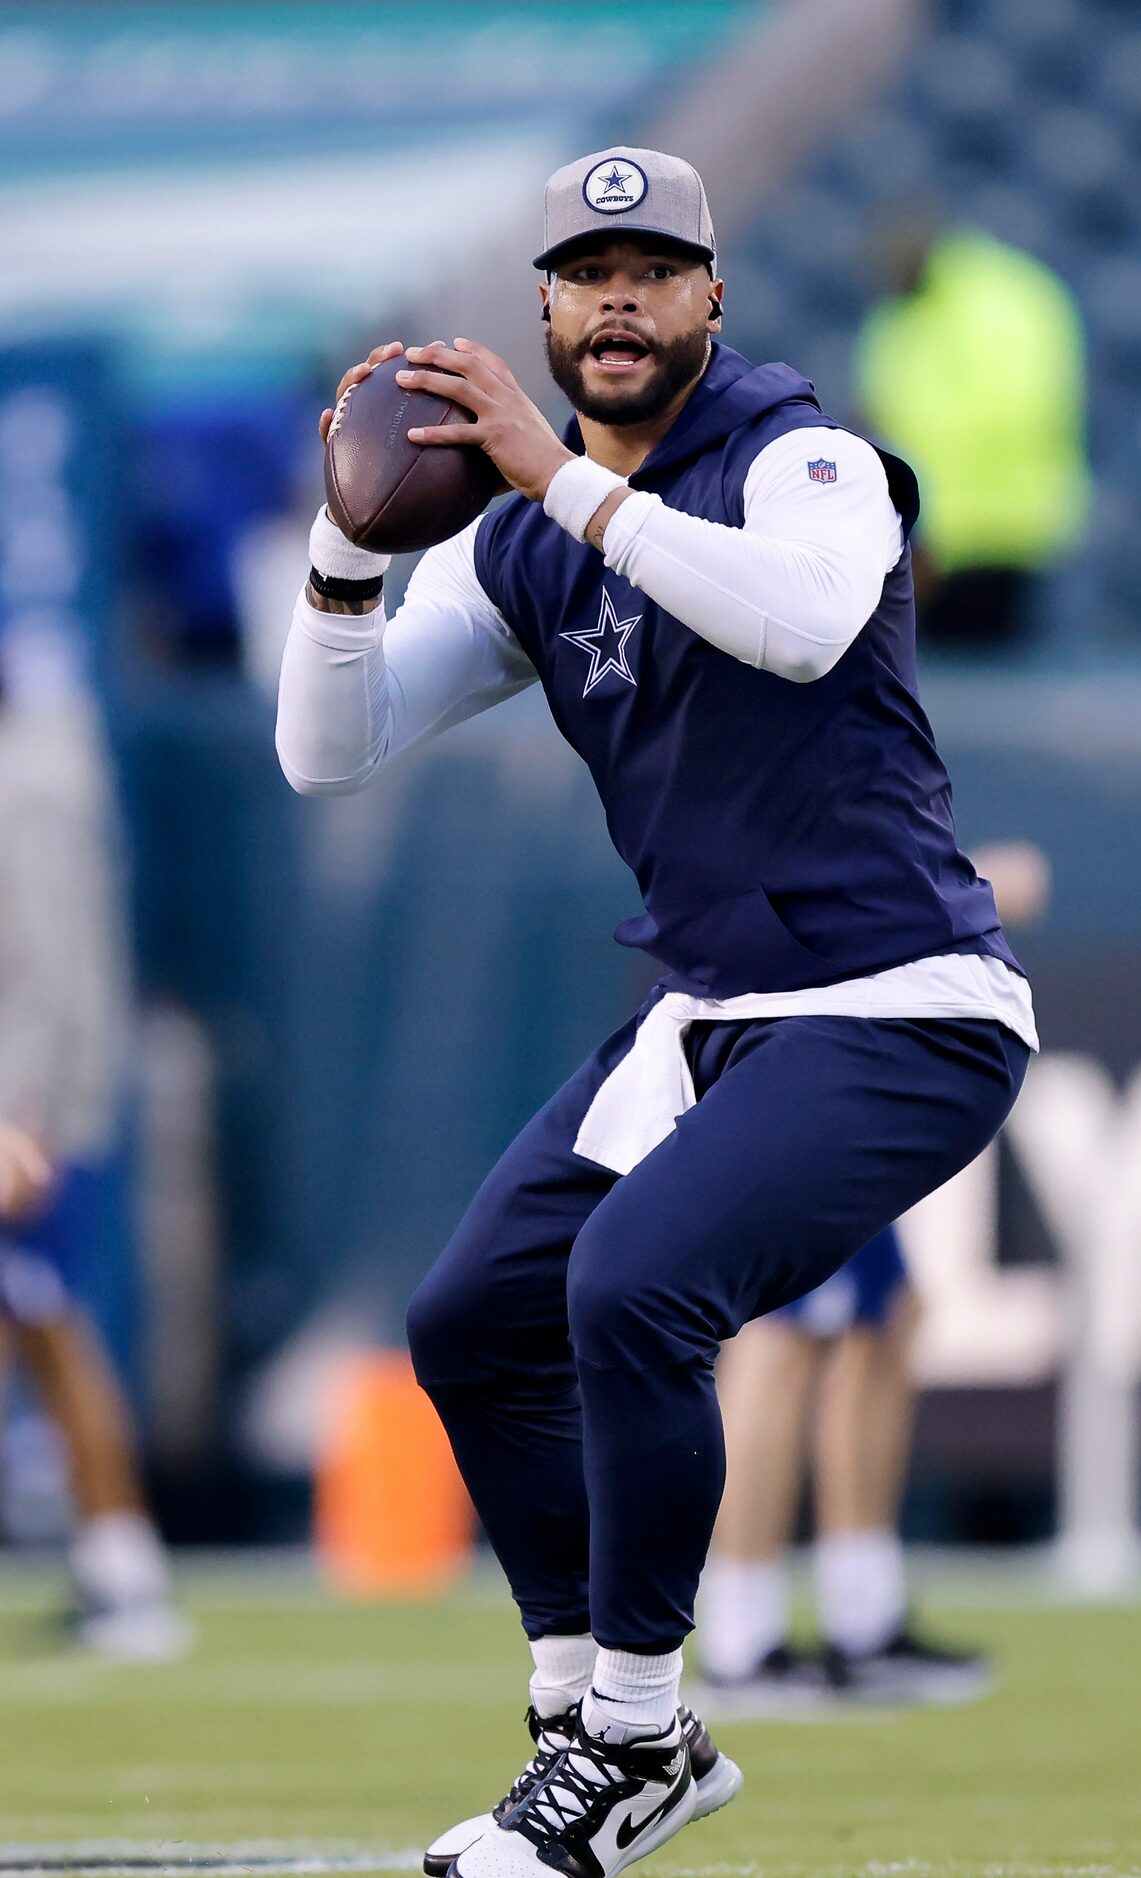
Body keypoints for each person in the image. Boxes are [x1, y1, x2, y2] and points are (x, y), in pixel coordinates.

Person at [276, 147, 1038, 1878]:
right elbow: (327, 751)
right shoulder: (520, 540)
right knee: (473, 1316)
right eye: (583, 269)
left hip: (898, 1004)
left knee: (634, 1283)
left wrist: (558, 481)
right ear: (539, 303)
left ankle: (632, 1728)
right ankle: (592, 1727)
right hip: (713, 1012)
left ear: (712, 297)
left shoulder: (805, 454)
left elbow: (800, 618)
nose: (617, 296)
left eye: (653, 267)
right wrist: (339, 540)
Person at [701, 844, 1051, 1709]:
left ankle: (864, 1617)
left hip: (844, 1032)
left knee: (884, 1320)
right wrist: (973, 887)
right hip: (782, 1029)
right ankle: (740, 1636)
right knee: (781, 1333)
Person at [0, 627, 190, 1660]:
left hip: (22, 1107)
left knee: (47, 1323)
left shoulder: (28, 777)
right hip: (31, 1098)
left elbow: (46, 958)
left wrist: (22, 1111)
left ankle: (126, 1572)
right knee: (44, 1325)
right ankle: (121, 1568)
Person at [855, 220, 1089, 651]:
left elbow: (1017, 408)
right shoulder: (900, 316)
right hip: (935, 541)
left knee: (982, 682)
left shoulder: (1000, 304)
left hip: (997, 535)